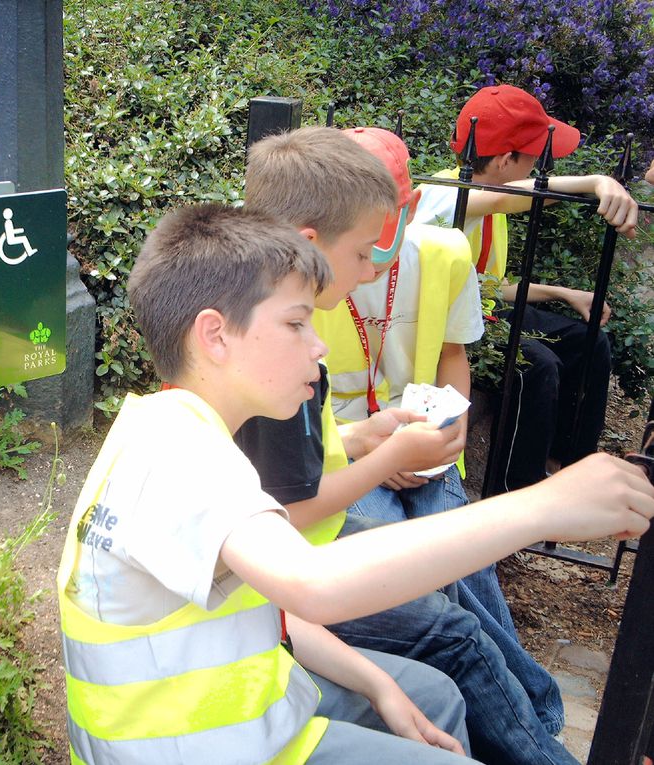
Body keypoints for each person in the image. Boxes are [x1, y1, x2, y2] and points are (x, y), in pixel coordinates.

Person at [57, 201, 654, 765]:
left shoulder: (172, 429)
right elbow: (314, 585)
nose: (317, 346)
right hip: (211, 749)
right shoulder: (181, 455)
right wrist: (545, 506)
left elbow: (271, 607)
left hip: (233, 727)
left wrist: (379, 685)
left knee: (430, 699)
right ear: (214, 336)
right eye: (296, 324)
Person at [237, 125, 569, 762]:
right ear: (312, 244)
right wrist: (384, 454)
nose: (371, 266)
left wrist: (380, 439)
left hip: (302, 547)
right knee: (452, 626)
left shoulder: (265, 315)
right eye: (364, 251)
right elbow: (288, 520)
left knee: (450, 572)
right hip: (286, 576)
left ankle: (532, 720)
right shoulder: (278, 353)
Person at [413, 84, 639, 491]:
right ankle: (519, 489)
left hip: (482, 312)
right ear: (504, 160)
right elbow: (502, 200)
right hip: (447, 327)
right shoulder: (442, 195)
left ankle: (573, 462)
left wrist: (563, 293)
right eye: (533, 157)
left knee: (588, 340)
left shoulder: (484, 205)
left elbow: (492, 288)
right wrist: (595, 181)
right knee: (535, 366)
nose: (538, 166)